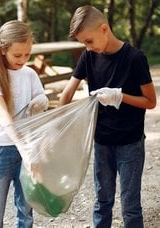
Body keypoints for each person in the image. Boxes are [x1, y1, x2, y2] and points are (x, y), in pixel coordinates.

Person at [59, 5, 156, 228]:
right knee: (102, 201)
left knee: (130, 206)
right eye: (84, 43)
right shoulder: (89, 57)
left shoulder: (134, 58)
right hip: (102, 141)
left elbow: (151, 102)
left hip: (130, 143)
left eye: (89, 41)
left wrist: (120, 96)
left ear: (104, 29)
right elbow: (66, 93)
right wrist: (59, 125)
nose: (88, 47)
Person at [0, 20, 48, 228]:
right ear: (2, 50)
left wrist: (41, 102)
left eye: (28, 54)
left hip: (25, 148)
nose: (23, 60)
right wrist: (26, 151)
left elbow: (41, 98)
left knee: (26, 210)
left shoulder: (30, 74)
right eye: (18, 55)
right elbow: (4, 118)